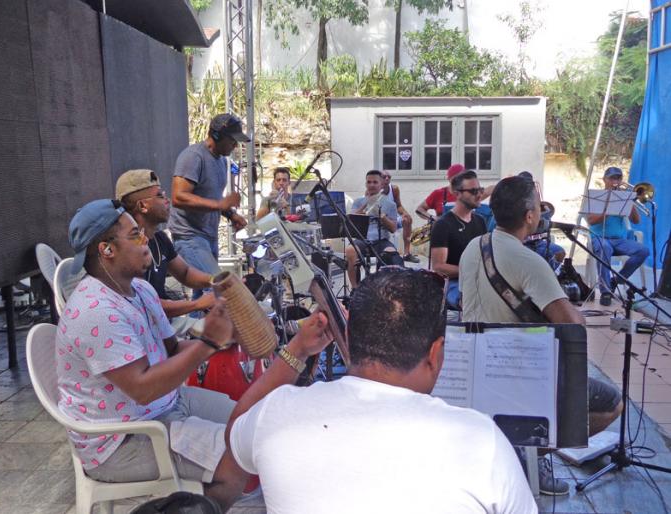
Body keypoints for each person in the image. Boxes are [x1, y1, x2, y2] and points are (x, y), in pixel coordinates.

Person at [213, 267, 537, 513]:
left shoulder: (275, 411)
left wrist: (297, 349)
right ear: (435, 353)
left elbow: (236, 439)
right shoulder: (482, 441)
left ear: (348, 335)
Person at [56, 199, 241, 502]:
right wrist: (208, 343)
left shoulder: (140, 289)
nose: (147, 241)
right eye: (135, 236)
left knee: (249, 423)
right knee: (235, 461)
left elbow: (172, 348)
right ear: (107, 249)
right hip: (120, 440)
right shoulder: (96, 311)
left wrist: (224, 339)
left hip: (163, 406)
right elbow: (143, 389)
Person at [459, 176, 623, 495]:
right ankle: (530, 453)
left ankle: (520, 450)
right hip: (517, 373)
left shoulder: (472, 247)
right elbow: (572, 325)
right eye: (537, 206)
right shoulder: (528, 261)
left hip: (474, 365)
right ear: (531, 217)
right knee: (613, 403)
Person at [115, 169, 217, 319]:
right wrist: (198, 304)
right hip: (146, 330)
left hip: (164, 325)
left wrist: (216, 281)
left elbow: (185, 273)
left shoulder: (159, 238)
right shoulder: (129, 250)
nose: (167, 200)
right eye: (160, 195)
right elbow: (145, 304)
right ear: (143, 205)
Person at [168, 113, 249, 291]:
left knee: (204, 297)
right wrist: (220, 205)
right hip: (190, 236)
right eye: (232, 140)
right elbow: (178, 197)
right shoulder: (193, 157)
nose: (235, 145)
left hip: (207, 236)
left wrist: (230, 214)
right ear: (217, 135)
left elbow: (212, 197)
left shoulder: (221, 161)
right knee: (217, 288)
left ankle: (197, 320)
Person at [586, 166, 649, 307]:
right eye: (612, 178)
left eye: (618, 178)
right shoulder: (597, 197)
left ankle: (617, 280)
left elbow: (636, 221)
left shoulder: (624, 196)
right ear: (604, 180)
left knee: (643, 251)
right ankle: (605, 291)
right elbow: (591, 220)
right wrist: (609, 209)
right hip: (600, 238)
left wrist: (630, 203)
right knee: (605, 248)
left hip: (620, 240)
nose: (615, 181)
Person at [430, 170, 487, 309]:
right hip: (454, 283)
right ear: (457, 193)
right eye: (473, 191)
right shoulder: (443, 225)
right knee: (470, 302)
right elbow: (438, 267)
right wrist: (471, 270)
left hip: (480, 280)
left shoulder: (480, 221)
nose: (479, 194)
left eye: (480, 189)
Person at [345, 170, 403, 288]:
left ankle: (381, 287)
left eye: (375, 182)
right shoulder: (358, 202)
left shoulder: (390, 204)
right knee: (350, 250)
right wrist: (366, 205)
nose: (371, 185)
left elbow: (393, 229)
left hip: (381, 240)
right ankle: (355, 288)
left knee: (391, 254)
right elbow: (350, 222)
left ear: (381, 184)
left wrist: (382, 217)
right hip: (362, 238)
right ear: (366, 184)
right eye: (369, 182)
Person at [415, 163, 495, 221]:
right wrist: (432, 218)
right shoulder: (438, 193)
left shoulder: (470, 193)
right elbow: (420, 209)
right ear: (449, 179)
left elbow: (491, 189)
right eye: (456, 179)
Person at [381, 170, 418, 263]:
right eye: (384, 177)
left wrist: (405, 213)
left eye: (389, 177)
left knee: (407, 220)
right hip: (380, 221)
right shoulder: (374, 190)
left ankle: (406, 254)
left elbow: (398, 206)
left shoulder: (394, 189)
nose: (387, 179)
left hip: (393, 219)